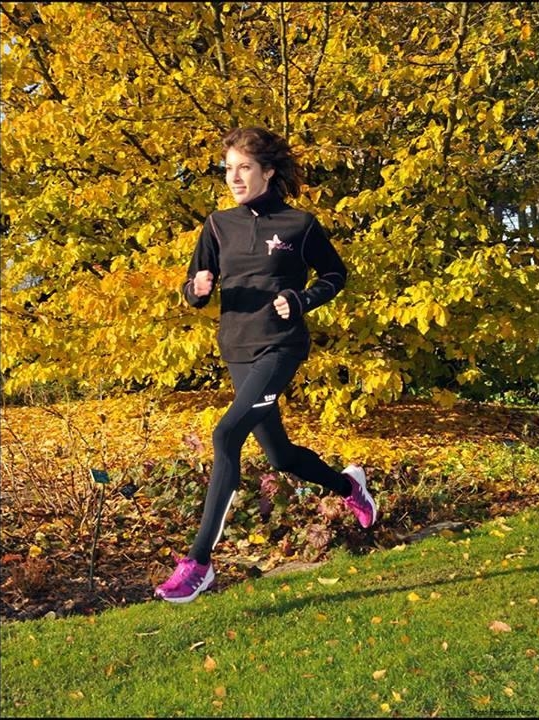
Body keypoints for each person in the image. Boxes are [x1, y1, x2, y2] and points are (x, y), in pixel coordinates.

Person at [155, 127, 377, 603]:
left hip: (281, 347)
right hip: (237, 348)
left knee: (225, 436)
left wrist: (301, 299)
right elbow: (195, 289)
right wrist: (196, 290)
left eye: (245, 168)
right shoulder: (217, 225)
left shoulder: (299, 225)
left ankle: (198, 564)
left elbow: (335, 273)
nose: (234, 178)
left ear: (268, 171)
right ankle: (348, 485)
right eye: (228, 169)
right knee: (279, 455)